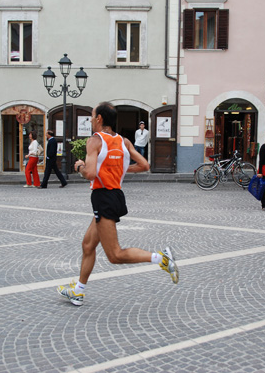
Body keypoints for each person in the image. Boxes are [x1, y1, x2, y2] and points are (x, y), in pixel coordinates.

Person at [57, 102, 178, 306]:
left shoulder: (94, 141)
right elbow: (144, 165)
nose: (90, 119)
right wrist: (118, 169)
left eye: (92, 116)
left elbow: (90, 174)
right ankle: (78, 291)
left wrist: (79, 166)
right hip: (115, 196)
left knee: (114, 255)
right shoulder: (124, 141)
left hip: (103, 197)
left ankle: (161, 258)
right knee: (88, 245)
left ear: (100, 119)